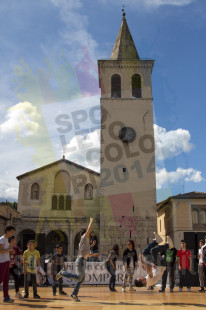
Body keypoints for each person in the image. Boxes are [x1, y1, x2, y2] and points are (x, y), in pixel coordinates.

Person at [56, 218, 95, 302]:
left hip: (82, 261)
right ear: (85, 234)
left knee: (81, 279)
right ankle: (63, 273)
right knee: (78, 278)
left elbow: (86, 251)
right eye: (89, 234)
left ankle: (74, 294)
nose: (90, 235)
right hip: (81, 261)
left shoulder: (84, 242)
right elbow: (89, 229)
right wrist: (91, 221)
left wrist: (92, 249)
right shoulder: (85, 237)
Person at [0, 225, 15, 303]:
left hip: (6, 261)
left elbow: (6, 250)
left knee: (6, 280)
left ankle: (6, 297)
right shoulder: (2, 239)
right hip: (2, 262)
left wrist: (11, 246)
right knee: (1, 279)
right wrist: (9, 249)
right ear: (7, 231)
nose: (12, 233)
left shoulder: (6, 239)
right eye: (11, 232)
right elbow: (0, 251)